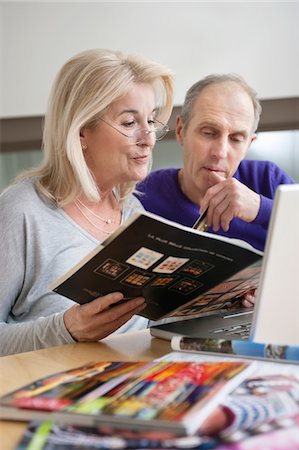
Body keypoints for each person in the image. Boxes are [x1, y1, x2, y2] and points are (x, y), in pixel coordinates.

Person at [0, 48, 174, 356]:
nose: (148, 137)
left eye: (150, 120)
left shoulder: (134, 212)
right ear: (81, 131)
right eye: (130, 122)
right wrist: (66, 330)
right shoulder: (23, 210)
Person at [136, 74, 294, 254]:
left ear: (249, 144)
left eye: (236, 139)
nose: (220, 152)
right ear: (181, 131)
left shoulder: (267, 180)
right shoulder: (143, 195)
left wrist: (262, 209)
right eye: (209, 133)